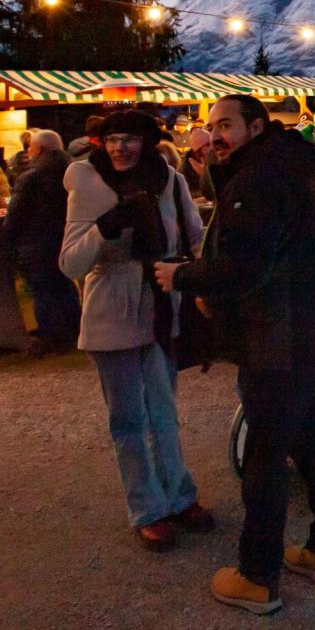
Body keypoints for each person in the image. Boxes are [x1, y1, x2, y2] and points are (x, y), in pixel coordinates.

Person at [154, 94, 315, 615]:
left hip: (282, 339)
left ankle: (258, 577)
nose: (214, 135)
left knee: (265, 456)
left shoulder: (256, 180)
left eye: (226, 125)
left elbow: (246, 265)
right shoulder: (283, 167)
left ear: (256, 126)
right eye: (209, 125)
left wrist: (184, 276)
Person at [60, 110, 212, 553]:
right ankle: (147, 509)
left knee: (163, 411)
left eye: (130, 139)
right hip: (110, 306)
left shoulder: (170, 178)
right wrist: (100, 233)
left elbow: (194, 235)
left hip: (162, 301)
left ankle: (179, 496)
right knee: (128, 418)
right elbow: (69, 262)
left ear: (147, 142)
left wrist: (203, 278)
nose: (120, 147)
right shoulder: (86, 182)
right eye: (112, 138)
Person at [6, 129, 80, 354]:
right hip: (65, 237)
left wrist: (8, 240)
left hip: (37, 240)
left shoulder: (31, 175)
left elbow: (16, 213)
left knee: (42, 289)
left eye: (30, 148)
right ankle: (74, 330)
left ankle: (51, 337)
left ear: (38, 149)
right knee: (65, 285)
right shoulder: (73, 170)